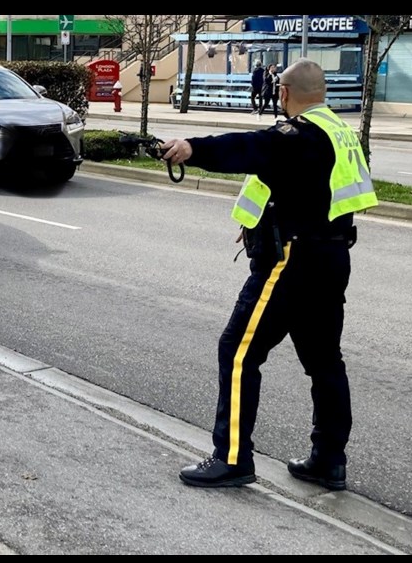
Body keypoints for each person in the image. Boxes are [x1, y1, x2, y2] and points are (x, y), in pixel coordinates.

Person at [159, 58, 378, 490]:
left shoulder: (296, 135)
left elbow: (246, 147)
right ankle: (328, 461)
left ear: (282, 92)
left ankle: (232, 458)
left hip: (290, 262)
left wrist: (191, 148)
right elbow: (304, 187)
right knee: (324, 361)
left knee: (238, 352)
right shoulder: (341, 132)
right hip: (331, 259)